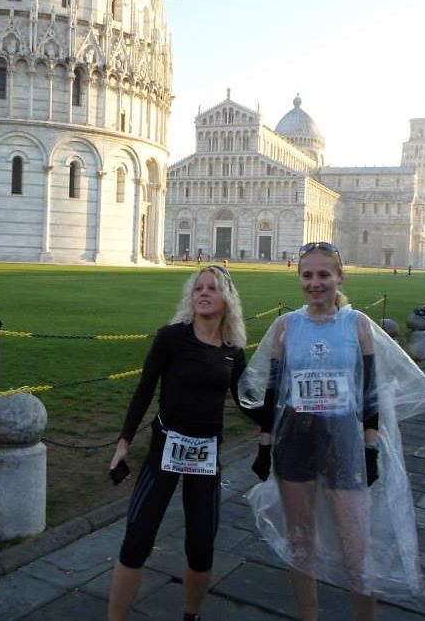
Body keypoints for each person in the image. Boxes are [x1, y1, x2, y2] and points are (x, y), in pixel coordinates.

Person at [239, 242, 425, 621]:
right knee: (300, 543)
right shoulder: (285, 326)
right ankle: (309, 615)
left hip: (344, 445)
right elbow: (272, 393)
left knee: (355, 547)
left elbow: (371, 392)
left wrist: (371, 447)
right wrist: (264, 447)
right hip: (296, 442)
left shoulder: (357, 324)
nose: (315, 283)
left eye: (323, 274)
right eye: (307, 275)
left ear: (339, 277)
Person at [106, 265, 263, 621]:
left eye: (212, 288)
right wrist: (124, 441)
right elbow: (144, 390)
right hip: (165, 449)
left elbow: (246, 401)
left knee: (201, 547)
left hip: (205, 457)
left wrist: (280, 420)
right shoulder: (171, 338)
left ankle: (191, 615)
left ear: (227, 299)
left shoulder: (232, 350)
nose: (204, 293)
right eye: (198, 288)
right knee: (137, 541)